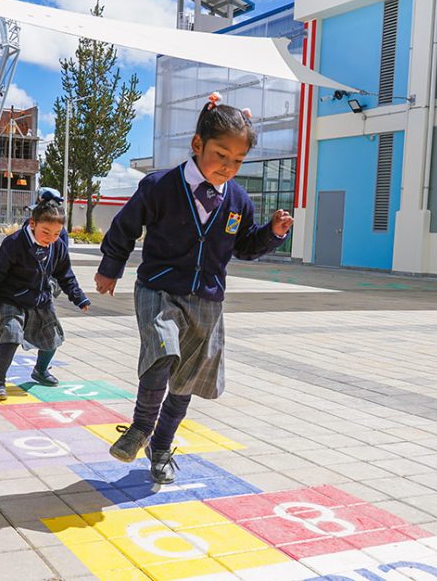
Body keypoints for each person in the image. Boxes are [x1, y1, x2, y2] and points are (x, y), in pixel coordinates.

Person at [94, 92, 294, 484]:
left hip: (208, 297)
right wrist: (110, 267)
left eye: (238, 161)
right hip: (159, 288)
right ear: (198, 145)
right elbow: (124, 227)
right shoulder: (159, 186)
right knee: (163, 353)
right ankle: (140, 426)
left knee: (185, 380)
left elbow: (244, 246)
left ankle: (161, 446)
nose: (228, 167)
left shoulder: (237, 199)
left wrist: (271, 234)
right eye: (222, 155)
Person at [0, 188, 90, 401]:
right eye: (45, 232)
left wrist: (79, 297)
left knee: (52, 338)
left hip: (41, 299)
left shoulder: (57, 246)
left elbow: (65, 275)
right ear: (33, 224)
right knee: (11, 334)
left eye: (57, 234)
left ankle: (40, 370)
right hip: (11, 298)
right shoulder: (14, 243)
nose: (51, 238)